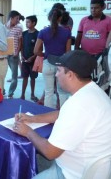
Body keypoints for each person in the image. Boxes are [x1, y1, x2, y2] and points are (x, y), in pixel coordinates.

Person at [13, 50, 111, 179]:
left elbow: (50, 152)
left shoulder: (79, 105)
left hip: (73, 174)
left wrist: (28, 132)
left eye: (58, 70)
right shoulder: (91, 90)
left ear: (70, 75)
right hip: (88, 165)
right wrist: (32, 118)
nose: (56, 75)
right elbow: (62, 113)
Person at [34, 8, 71, 109]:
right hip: (61, 65)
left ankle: (47, 115)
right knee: (62, 92)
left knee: (48, 91)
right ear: (60, 18)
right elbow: (68, 52)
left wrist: (45, 54)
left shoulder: (43, 32)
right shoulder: (66, 32)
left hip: (48, 63)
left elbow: (36, 51)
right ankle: (63, 115)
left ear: (49, 18)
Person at [20, 15, 39, 101]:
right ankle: (22, 95)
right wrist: (22, 56)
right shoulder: (24, 33)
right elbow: (22, 46)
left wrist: (33, 57)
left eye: (28, 22)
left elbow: (39, 48)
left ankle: (32, 94)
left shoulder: (38, 34)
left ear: (34, 23)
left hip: (34, 60)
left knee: (33, 78)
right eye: (26, 22)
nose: (26, 24)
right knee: (25, 77)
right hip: (24, 59)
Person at [5, 10, 23, 98]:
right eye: (16, 18)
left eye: (18, 19)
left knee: (14, 76)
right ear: (11, 18)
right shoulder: (4, 27)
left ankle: (10, 93)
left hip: (14, 55)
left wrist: (17, 52)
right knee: (2, 73)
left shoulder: (19, 28)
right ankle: (2, 91)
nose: (18, 20)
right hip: (4, 55)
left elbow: (20, 41)